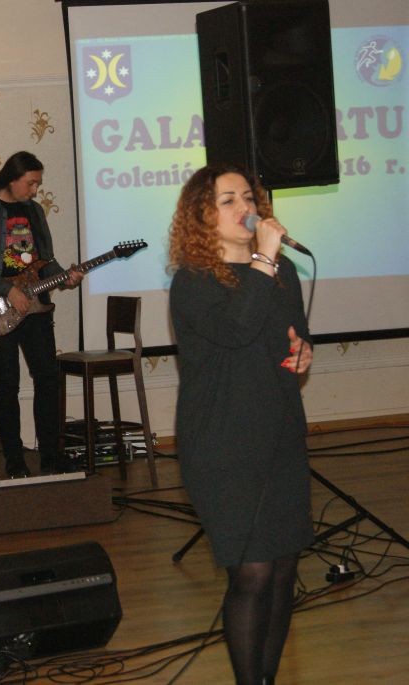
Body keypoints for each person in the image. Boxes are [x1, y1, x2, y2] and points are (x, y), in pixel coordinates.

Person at [168, 163, 313, 685]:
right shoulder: (193, 281)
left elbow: (290, 335)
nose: (245, 207)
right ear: (202, 215)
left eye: (248, 197)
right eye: (228, 199)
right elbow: (236, 329)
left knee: (283, 569)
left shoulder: (283, 272)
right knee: (252, 572)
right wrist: (263, 260)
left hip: (279, 434)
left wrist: (302, 353)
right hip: (222, 443)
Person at [0, 151, 82, 478]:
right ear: (12, 180)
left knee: (47, 379)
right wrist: (7, 289)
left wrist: (66, 277)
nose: (35, 189)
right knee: (7, 382)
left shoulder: (35, 212)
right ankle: (14, 459)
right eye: (31, 183)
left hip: (37, 307)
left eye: (37, 183)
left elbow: (46, 261)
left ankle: (51, 456)